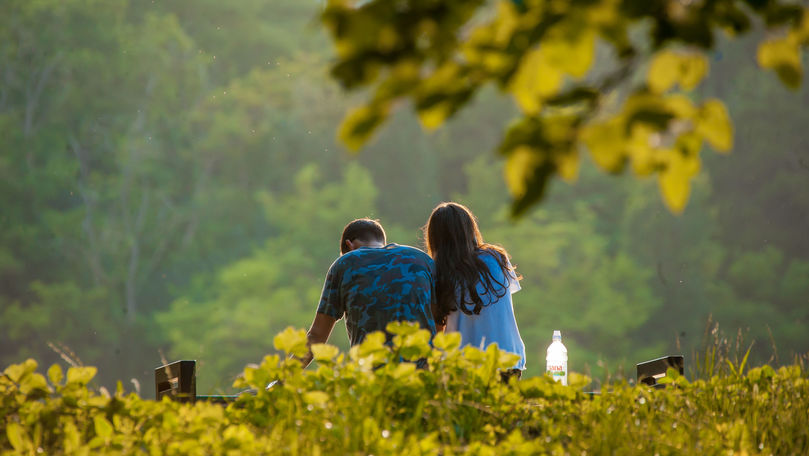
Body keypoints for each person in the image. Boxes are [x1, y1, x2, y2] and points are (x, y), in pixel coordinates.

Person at [299, 218, 437, 367]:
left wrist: (283, 378)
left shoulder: (346, 263)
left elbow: (316, 336)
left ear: (349, 246)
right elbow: (440, 322)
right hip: (423, 377)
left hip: (371, 378)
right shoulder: (422, 260)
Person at [424, 202, 526, 381]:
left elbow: (438, 330)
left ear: (434, 238)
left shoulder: (437, 273)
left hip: (466, 366)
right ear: (470, 229)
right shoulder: (496, 258)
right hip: (509, 359)